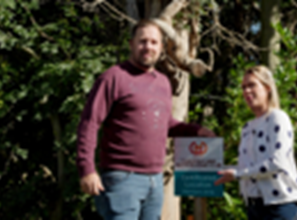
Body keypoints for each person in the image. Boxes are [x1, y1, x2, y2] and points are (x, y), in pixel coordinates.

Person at [76, 19, 215, 220]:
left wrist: (195, 131)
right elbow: (89, 123)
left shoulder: (163, 83)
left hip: (155, 182)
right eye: (142, 41)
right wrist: (86, 168)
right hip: (122, 179)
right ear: (131, 44)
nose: (148, 47)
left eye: (153, 42)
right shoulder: (113, 78)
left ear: (161, 48)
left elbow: (164, 124)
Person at [214, 65, 297, 220]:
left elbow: (277, 162)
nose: (246, 91)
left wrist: (237, 175)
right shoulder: (247, 127)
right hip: (254, 207)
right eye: (243, 87)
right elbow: (249, 168)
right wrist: (220, 171)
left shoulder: (278, 118)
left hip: (279, 206)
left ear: (267, 88)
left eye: (252, 85)